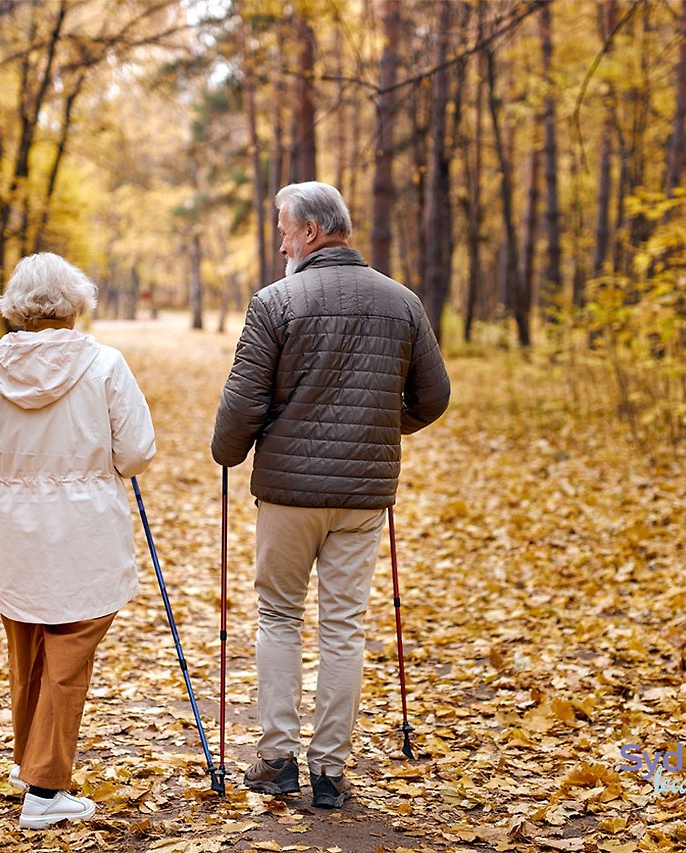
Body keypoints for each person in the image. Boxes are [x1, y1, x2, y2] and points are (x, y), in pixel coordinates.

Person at [211, 181, 450, 809]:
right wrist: (376, 424)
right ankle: (330, 773)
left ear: (312, 232)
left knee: (279, 616)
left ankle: (278, 760)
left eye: (285, 229)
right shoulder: (402, 302)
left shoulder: (275, 303)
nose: (281, 240)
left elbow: (242, 403)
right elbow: (433, 397)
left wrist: (227, 452)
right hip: (363, 494)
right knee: (345, 626)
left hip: (290, 492)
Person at [0, 253, 155, 830]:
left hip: (17, 527)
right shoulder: (105, 364)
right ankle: (44, 790)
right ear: (75, 302)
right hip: (85, 530)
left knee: (29, 651)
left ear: (15, 304)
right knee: (68, 655)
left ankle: (32, 765)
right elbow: (136, 453)